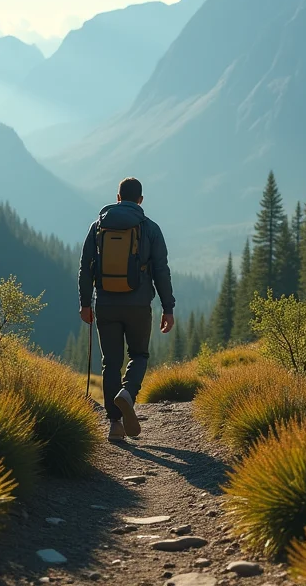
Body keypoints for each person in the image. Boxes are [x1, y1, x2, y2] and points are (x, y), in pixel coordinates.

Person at [78, 176, 175, 441]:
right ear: (140, 200)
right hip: (138, 305)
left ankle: (115, 424)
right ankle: (128, 393)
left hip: (106, 304)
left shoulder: (98, 226)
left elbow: (85, 268)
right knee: (139, 355)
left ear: (118, 197)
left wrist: (85, 304)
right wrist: (168, 307)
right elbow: (161, 271)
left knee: (110, 363)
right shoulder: (150, 228)